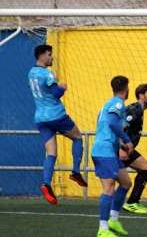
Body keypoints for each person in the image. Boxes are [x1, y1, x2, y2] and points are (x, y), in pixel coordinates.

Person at [28, 44, 87, 205]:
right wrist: (62, 87)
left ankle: (46, 183)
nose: (52, 57)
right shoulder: (48, 74)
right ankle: (75, 171)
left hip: (41, 118)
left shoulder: (31, 73)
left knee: (51, 153)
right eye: (49, 54)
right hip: (56, 115)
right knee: (77, 137)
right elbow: (57, 93)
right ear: (42, 57)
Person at [91, 76, 134, 237]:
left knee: (125, 182)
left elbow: (105, 128)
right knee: (108, 189)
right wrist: (128, 141)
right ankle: (103, 230)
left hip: (108, 149)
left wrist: (120, 145)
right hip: (104, 151)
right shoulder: (118, 103)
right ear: (127, 89)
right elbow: (111, 123)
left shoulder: (107, 104)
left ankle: (113, 219)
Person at [121, 83, 147, 214]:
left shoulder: (139, 110)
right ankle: (130, 203)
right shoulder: (135, 109)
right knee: (145, 168)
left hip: (126, 148)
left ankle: (133, 202)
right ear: (141, 96)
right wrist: (121, 148)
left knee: (146, 168)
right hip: (121, 149)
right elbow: (120, 128)